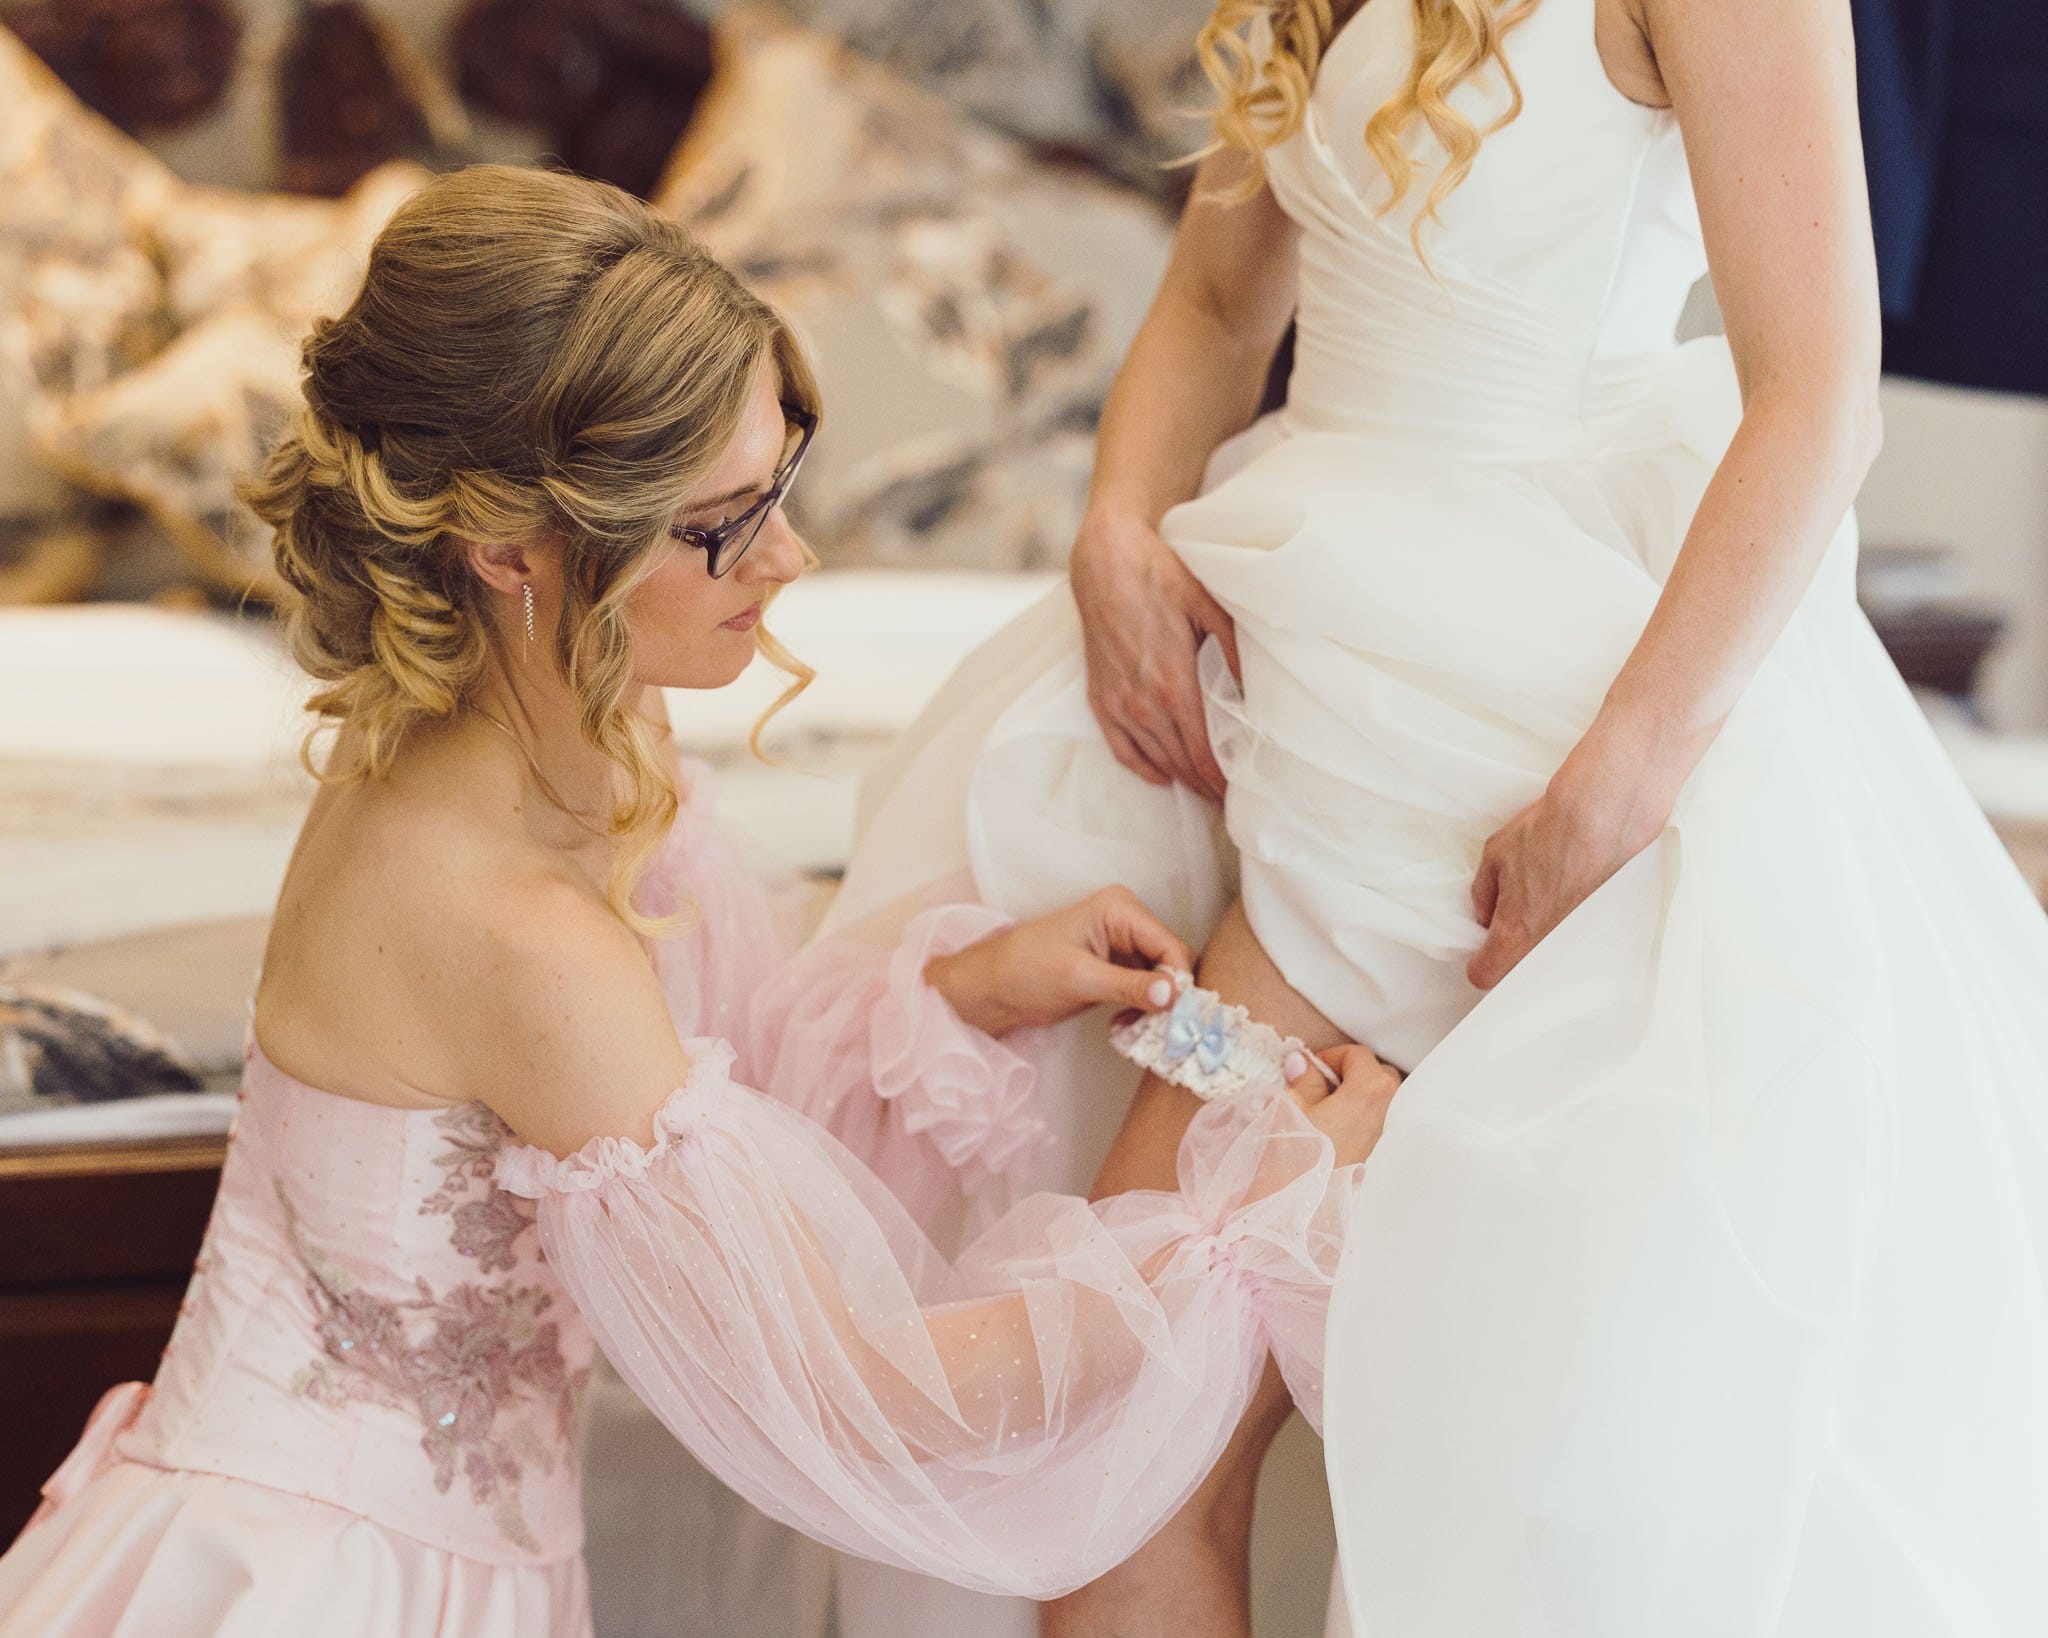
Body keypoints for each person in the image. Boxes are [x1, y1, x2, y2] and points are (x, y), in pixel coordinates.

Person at [0, 164, 1401, 1638]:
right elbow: (871, 1395)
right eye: (720, 526)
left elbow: (698, 1079)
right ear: (506, 546)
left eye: (778, 488)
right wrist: (1235, 1220)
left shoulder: (550, 735)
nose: (788, 561)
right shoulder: (510, 925)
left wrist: (969, 986)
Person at [829, 0, 2048, 1633]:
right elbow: (1207, 299)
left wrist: (1615, 781)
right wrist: (1118, 526)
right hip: (1304, 716)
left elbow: (1821, 397)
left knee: (1523, 1497)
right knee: (1114, 1451)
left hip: (1552, 747)